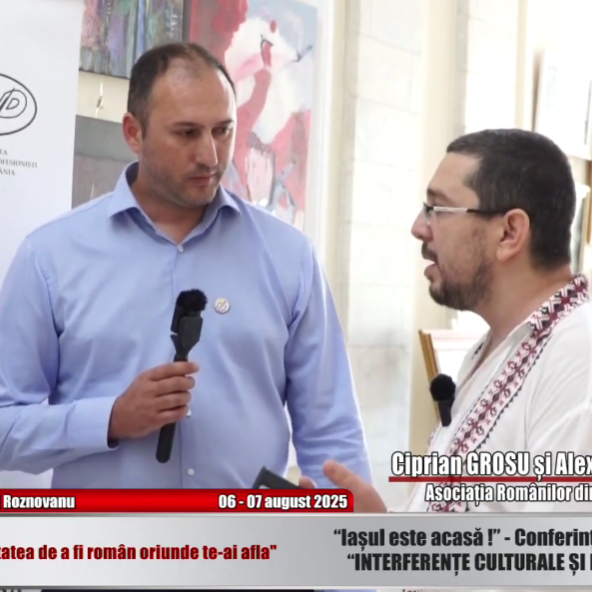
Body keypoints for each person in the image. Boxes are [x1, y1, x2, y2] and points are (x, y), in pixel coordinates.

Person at [0, 41, 371, 493]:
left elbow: (332, 431)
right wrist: (110, 419)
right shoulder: (50, 257)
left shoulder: (290, 257)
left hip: (249, 537)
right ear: (133, 133)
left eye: (223, 130)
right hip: (106, 537)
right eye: (187, 133)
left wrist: (340, 525)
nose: (211, 156)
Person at [301, 128, 592, 518]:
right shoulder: (494, 346)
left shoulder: (577, 356)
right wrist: (379, 527)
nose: (419, 227)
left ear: (509, 233)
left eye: (438, 209)